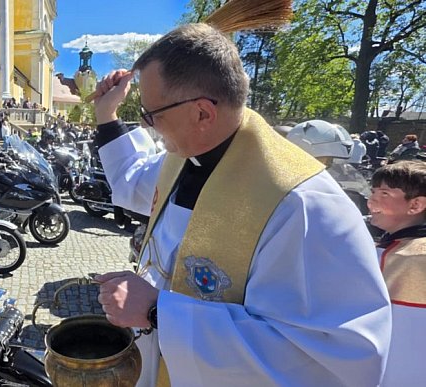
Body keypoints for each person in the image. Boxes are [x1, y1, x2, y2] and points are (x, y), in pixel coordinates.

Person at [90, 23, 391, 386]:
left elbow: (335, 361)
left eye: (153, 115)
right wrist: (107, 117)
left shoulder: (301, 205)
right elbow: (132, 180)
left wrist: (158, 311)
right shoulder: (187, 155)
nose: (149, 126)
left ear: (203, 113)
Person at [366, 161, 426, 386]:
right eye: (373, 192)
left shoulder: (403, 257)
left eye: (385, 193)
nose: (371, 201)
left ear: (416, 205)